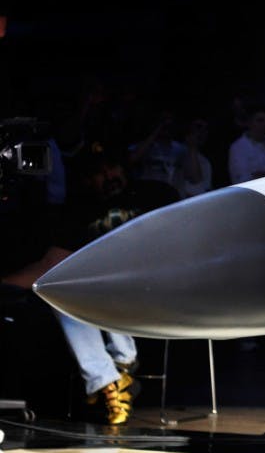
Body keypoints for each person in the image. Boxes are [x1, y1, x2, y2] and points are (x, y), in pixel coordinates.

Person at [2, 149, 180, 425]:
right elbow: (51, 265)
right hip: (109, 293)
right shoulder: (80, 212)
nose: (108, 177)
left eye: (112, 168)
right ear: (87, 181)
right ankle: (111, 379)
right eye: (98, 174)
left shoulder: (154, 194)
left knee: (103, 280)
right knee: (59, 291)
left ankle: (118, 368)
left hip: (163, 285)